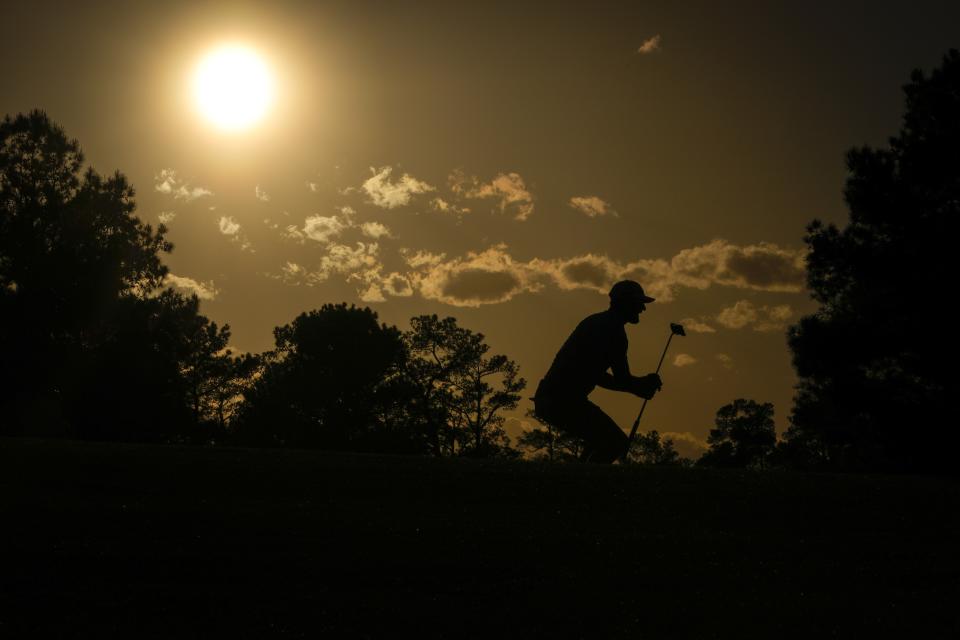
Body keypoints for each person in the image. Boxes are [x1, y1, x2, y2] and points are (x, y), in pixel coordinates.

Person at [533, 280, 663, 463]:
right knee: (615, 443)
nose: (642, 308)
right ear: (625, 303)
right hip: (561, 401)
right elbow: (618, 379)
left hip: (556, 399)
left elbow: (603, 377)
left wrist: (639, 386)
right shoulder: (613, 332)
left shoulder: (598, 323)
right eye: (638, 303)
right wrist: (641, 385)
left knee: (601, 440)